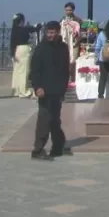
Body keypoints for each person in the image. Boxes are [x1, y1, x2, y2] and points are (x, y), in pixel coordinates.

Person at [30, 20, 72, 160]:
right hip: (44, 90)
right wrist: (37, 87)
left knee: (55, 120)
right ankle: (38, 150)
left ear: (58, 32)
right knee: (44, 119)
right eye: (48, 32)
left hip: (57, 90)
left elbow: (65, 70)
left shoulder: (63, 48)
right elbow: (34, 70)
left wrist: (63, 89)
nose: (50, 35)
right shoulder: (41, 48)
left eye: (52, 32)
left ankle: (58, 146)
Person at [10, 13, 37, 98]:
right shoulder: (23, 29)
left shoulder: (14, 30)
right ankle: (24, 91)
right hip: (24, 49)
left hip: (17, 50)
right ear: (21, 21)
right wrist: (38, 26)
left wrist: (12, 54)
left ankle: (16, 90)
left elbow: (12, 43)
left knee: (17, 71)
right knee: (24, 71)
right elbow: (32, 29)